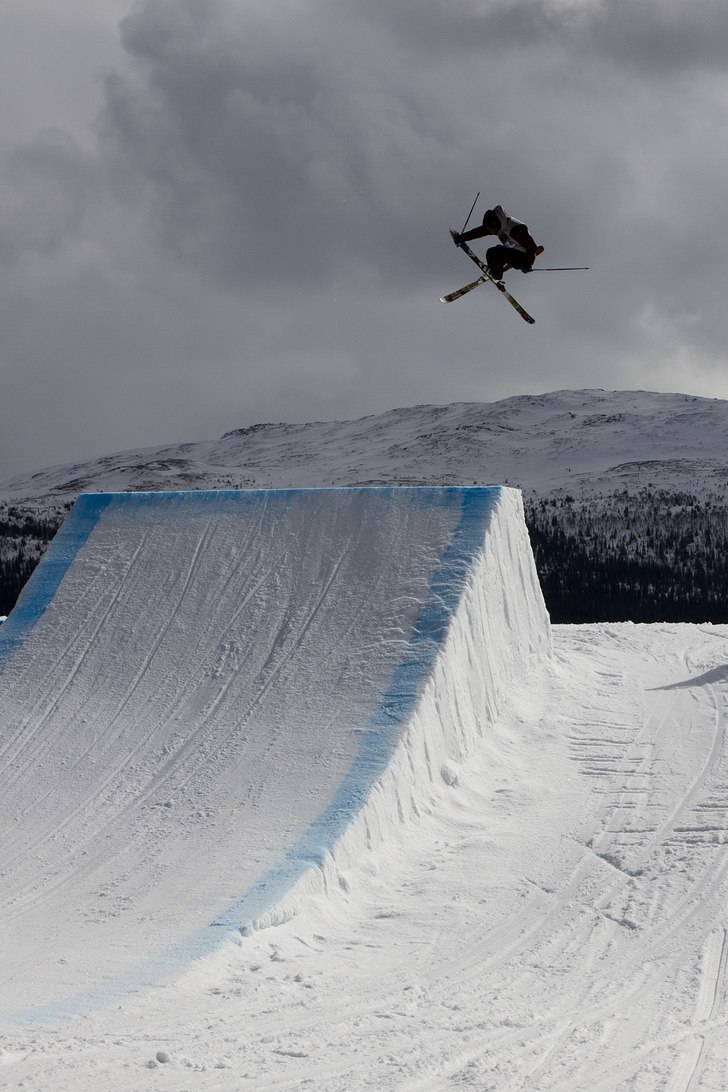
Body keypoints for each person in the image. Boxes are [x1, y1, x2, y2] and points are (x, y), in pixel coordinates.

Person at [452, 205, 541, 281]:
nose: (492, 232)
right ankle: (495, 268)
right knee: (492, 252)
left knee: (496, 252)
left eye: (492, 229)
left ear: (497, 224)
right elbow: (480, 232)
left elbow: (532, 247)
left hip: (522, 258)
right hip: (512, 252)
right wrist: (462, 238)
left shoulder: (516, 229)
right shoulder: (498, 224)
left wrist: (528, 264)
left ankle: (496, 274)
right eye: (489, 229)